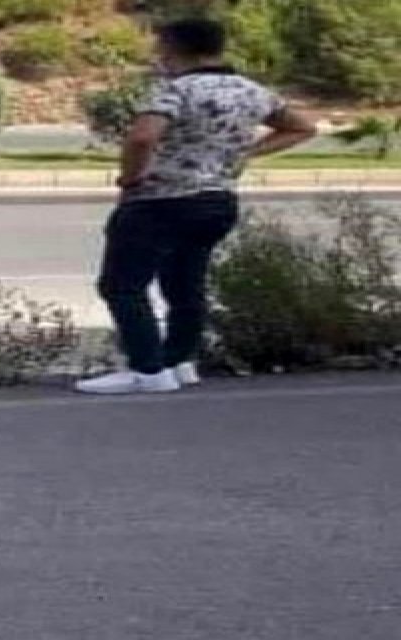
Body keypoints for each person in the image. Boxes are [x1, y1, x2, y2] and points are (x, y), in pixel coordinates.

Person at [75, 17, 316, 395]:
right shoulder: (250, 91)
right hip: (217, 200)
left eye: (160, 47)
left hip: (160, 200)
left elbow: (142, 138)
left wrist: (131, 180)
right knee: (186, 283)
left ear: (173, 48)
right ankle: (180, 360)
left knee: (123, 285)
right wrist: (246, 152)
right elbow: (302, 127)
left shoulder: (174, 90)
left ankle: (147, 370)